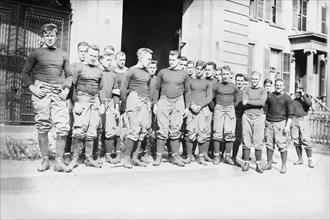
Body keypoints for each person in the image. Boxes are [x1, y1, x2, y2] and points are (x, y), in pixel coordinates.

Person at [22, 23, 72, 172]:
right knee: (43, 125)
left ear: (56, 37)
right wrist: (32, 88)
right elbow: (25, 73)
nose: (50, 38)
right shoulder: (36, 53)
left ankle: (58, 162)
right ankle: (44, 161)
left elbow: (69, 75)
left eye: (52, 35)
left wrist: (66, 89)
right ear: (42, 36)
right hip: (41, 90)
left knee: (63, 126)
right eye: (47, 35)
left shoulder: (63, 54)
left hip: (58, 90)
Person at [69, 44, 105, 169]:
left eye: (95, 56)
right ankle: (75, 158)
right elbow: (71, 85)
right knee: (79, 128)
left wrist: (102, 104)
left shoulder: (99, 70)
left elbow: (101, 88)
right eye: (91, 55)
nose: (93, 58)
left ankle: (89, 158)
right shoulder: (78, 67)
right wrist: (76, 102)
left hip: (95, 100)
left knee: (92, 129)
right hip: (81, 99)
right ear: (86, 54)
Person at [153, 50, 191, 167]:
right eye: (170, 59)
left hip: (178, 101)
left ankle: (174, 156)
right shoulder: (162, 72)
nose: (171, 62)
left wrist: (187, 107)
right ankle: (158, 156)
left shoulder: (184, 74)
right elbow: (156, 89)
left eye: (173, 60)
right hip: (164, 100)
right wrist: (155, 104)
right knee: (162, 128)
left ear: (179, 60)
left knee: (175, 128)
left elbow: (187, 91)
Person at [120, 48, 153, 169]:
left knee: (142, 131)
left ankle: (134, 158)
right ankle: (126, 158)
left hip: (144, 101)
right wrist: (124, 105)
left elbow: (148, 89)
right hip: (133, 100)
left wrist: (148, 102)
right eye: (148, 59)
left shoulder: (147, 73)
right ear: (141, 58)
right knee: (133, 130)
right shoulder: (131, 71)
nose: (150, 61)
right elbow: (123, 89)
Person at [63, 41, 90, 164]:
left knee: (84, 127)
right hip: (74, 99)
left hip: (85, 100)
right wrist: (71, 100)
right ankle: (67, 154)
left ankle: (81, 154)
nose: (83, 54)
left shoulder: (89, 67)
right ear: (78, 52)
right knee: (70, 126)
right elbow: (70, 85)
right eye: (81, 51)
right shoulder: (73, 66)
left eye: (85, 51)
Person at [185, 61, 213, 165]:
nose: (199, 71)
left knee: (202, 133)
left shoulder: (207, 83)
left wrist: (200, 106)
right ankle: (188, 156)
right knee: (190, 132)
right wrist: (192, 105)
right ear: (196, 69)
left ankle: (201, 157)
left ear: (205, 70)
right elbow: (187, 93)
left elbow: (209, 97)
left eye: (202, 69)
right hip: (192, 109)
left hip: (203, 109)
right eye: (198, 69)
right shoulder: (190, 81)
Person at [263, 78, 293, 174]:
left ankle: (283, 165)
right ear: (274, 85)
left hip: (281, 123)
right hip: (269, 122)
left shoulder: (288, 98)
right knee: (269, 144)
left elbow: (290, 113)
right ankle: (269, 163)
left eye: (280, 85)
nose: (278, 87)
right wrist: (264, 122)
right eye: (277, 85)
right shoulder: (270, 96)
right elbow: (265, 109)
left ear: (284, 86)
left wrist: (287, 126)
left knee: (282, 145)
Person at [212, 65, 240, 165]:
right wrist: (216, 107)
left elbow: (237, 99)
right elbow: (211, 98)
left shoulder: (233, 86)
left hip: (230, 109)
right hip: (219, 108)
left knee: (230, 132)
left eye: (227, 74)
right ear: (221, 74)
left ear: (230, 75)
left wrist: (231, 106)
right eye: (223, 74)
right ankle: (216, 156)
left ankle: (227, 156)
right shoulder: (216, 85)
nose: (225, 76)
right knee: (217, 132)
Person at [241, 71, 267, 173]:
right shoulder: (246, 89)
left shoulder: (263, 90)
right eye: (252, 79)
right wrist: (253, 103)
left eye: (256, 79)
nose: (254, 81)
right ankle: (246, 162)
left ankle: (258, 164)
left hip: (259, 117)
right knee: (246, 138)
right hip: (247, 115)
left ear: (259, 80)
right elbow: (244, 103)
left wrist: (249, 102)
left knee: (258, 140)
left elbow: (261, 103)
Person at [98, 54, 120, 164]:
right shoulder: (97, 72)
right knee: (96, 128)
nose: (109, 62)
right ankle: (94, 155)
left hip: (110, 102)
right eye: (107, 60)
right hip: (98, 102)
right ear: (101, 60)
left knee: (110, 129)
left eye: (111, 60)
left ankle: (108, 155)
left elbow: (116, 91)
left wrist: (116, 107)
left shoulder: (112, 74)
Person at [291, 84, 314, 168]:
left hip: (303, 120)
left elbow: (309, 103)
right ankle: (300, 159)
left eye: (299, 91)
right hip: (294, 120)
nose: (298, 93)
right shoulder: (293, 101)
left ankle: (310, 160)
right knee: (296, 140)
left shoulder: (305, 99)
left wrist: (303, 95)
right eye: (296, 92)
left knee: (306, 140)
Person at [140, 60, 158, 163]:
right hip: (144, 105)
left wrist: (155, 104)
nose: (152, 69)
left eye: (154, 68)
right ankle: (141, 152)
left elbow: (156, 92)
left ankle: (151, 152)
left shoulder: (156, 80)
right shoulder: (144, 79)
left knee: (152, 130)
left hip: (153, 107)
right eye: (150, 67)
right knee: (143, 129)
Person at [112, 51, 128, 163]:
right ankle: (116, 152)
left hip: (126, 102)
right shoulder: (113, 72)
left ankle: (125, 153)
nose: (122, 62)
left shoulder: (128, 72)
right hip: (115, 102)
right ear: (116, 60)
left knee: (126, 129)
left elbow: (130, 88)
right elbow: (112, 89)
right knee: (116, 128)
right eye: (120, 60)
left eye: (124, 60)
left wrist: (121, 91)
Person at [232, 73, 245, 166]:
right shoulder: (232, 90)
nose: (239, 82)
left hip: (240, 117)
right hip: (230, 115)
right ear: (235, 80)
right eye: (238, 80)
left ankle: (234, 157)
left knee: (238, 138)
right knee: (227, 136)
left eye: (241, 81)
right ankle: (223, 156)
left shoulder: (245, 92)